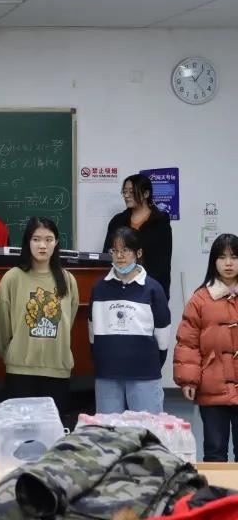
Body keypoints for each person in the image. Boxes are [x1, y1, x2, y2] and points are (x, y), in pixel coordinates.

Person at [0, 218, 79, 416]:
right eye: (36, 239)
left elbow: (68, 322)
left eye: (49, 239)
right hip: (21, 371)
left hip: (57, 369)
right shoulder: (12, 277)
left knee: (52, 430)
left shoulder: (67, 279)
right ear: (27, 242)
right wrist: (13, 354)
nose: (42, 245)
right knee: (22, 429)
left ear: (56, 243)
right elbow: (2, 326)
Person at [90, 227, 170, 414]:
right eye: (115, 250)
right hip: (107, 374)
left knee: (147, 428)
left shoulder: (153, 289)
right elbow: (92, 334)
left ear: (138, 253)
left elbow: (163, 339)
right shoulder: (99, 288)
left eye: (125, 250)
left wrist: (148, 364)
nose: (119, 256)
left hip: (145, 374)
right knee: (109, 429)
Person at [174, 233, 238, 461]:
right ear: (213, 262)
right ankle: (215, 487)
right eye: (222, 257)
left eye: (234, 257)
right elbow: (188, 343)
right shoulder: (200, 299)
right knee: (214, 450)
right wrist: (189, 380)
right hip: (212, 387)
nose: (228, 263)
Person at [103, 173, 173, 298]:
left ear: (146, 194)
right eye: (124, 191)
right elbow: (107, 255)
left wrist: (143, 283)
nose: (126, 195)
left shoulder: (160, 222)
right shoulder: (118, 221)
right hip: (119, 287)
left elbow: (162, 262)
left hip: (150, 288)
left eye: (131, 191)